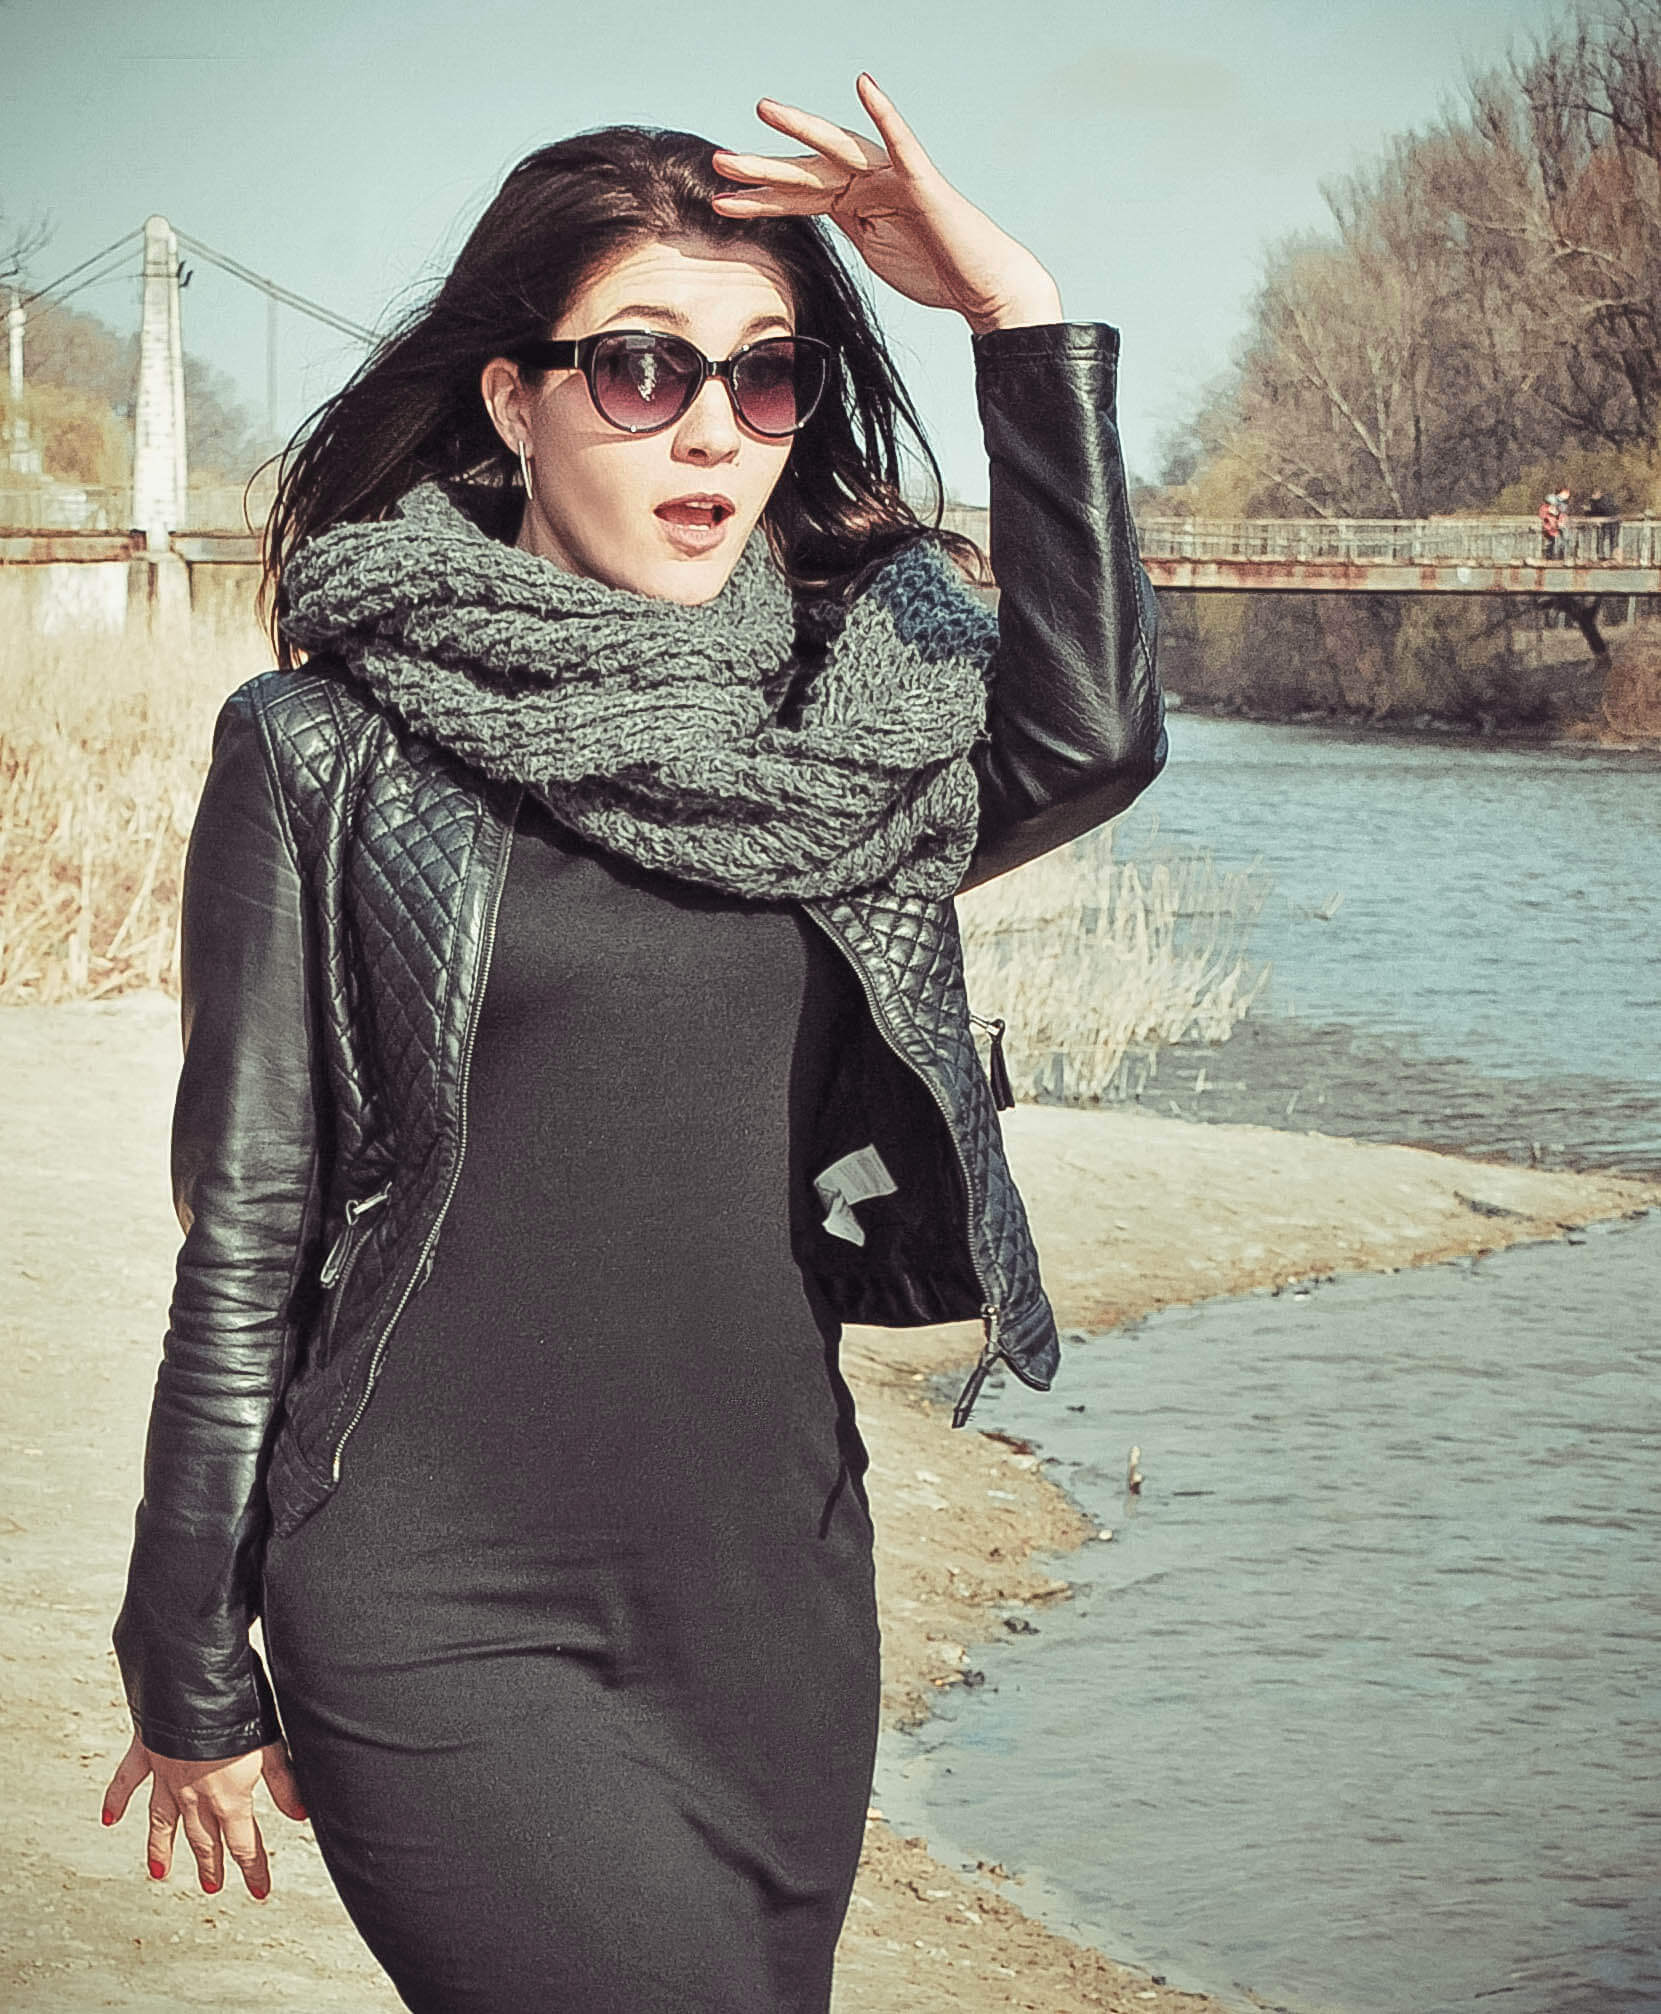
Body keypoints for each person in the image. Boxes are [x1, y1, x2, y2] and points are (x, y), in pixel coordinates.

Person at [99, 79, 1164, 2014]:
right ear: (513, 400)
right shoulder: (324, 749)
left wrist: (1014, 312)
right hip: (440, 1596)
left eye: (765, 375)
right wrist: (184, 1650)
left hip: (769, 1595)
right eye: (643, 366)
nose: (712, 428)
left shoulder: (847, 738)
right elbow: (244, 1231)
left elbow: (1089, 734)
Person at [1540, 489, 1565, 560]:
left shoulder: (1556, 509)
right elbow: (1545, 517)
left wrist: (1559, 522)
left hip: (1554, 530)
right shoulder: (1545, 508)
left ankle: (1556, 555)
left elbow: (1559, 516)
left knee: (1558, 542)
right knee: (1550, 543)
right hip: (1549, 530)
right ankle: (1550, 556)